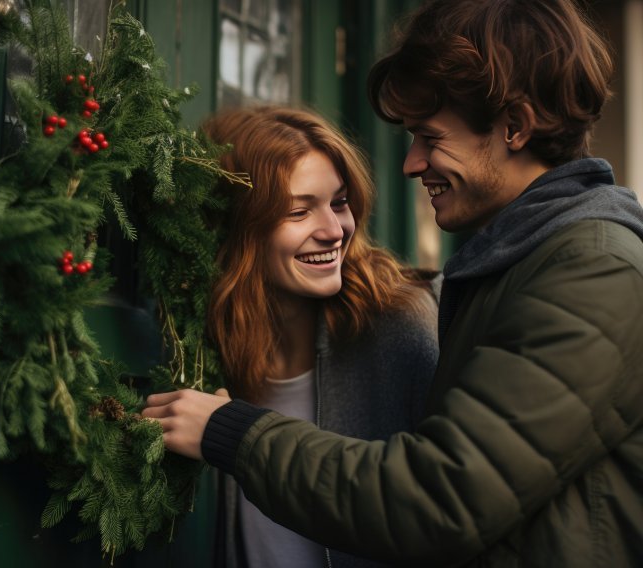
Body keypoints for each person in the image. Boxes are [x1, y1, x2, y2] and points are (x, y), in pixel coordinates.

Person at [142, 0, 643, 566]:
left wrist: (230, 432)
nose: (410, 163)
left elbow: (440, 499)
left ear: (515, 127)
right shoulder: (524, 263)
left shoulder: (589, 272)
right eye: (297, 209)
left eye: (430, 137)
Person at [200, 106, 439, 567]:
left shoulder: (401, 328)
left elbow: (446, 505)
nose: (333, 231)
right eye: (298, 210)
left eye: (340, 202)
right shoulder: (207, 345)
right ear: (239, 225)